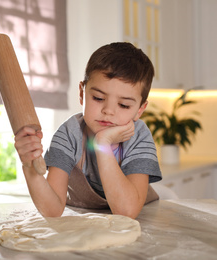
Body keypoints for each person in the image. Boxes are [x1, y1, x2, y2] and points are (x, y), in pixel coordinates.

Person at [14, 42, 162, 219]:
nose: (108, 111)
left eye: (123, 105)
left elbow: (126, 212)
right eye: (98, 98)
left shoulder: (139, 136)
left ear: (139, 109)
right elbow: (52, 211)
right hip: (84, 217)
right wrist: (30, 166)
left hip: (140, 219)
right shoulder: (70, 133)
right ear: (82, 93)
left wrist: (103, 144)